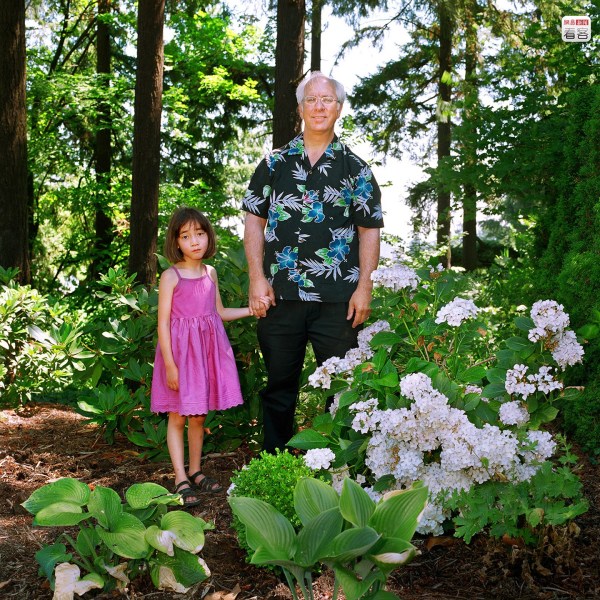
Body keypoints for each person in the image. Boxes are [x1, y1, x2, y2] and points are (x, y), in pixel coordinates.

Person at [242, 71, 384, 453]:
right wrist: (257, 278)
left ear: (338, 108)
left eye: (327, 100)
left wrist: (365, 286)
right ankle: (274, 468)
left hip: (338, 300)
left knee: (343, 391)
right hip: (280, 295)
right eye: (311, 99)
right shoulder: (273, 164)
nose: (319, 106)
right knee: (278, 389)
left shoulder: (356, 169)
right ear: (301, 107)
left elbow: (370, 230)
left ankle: (339, 471)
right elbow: (253, 221)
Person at [151, 206, 268, 508]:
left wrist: (252, 309)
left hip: (204, 355)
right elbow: (163, 323)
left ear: (208, 237)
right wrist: (170, 366)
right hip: (180, 356)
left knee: (199, 416)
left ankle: (196, 470)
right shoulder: (170, 276)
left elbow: (219, 313)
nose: (194, 241)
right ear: (176, 242)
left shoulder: (210, 273)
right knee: (178, 416)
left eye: (200, 234)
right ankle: (180, 477)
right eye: (186, 236)